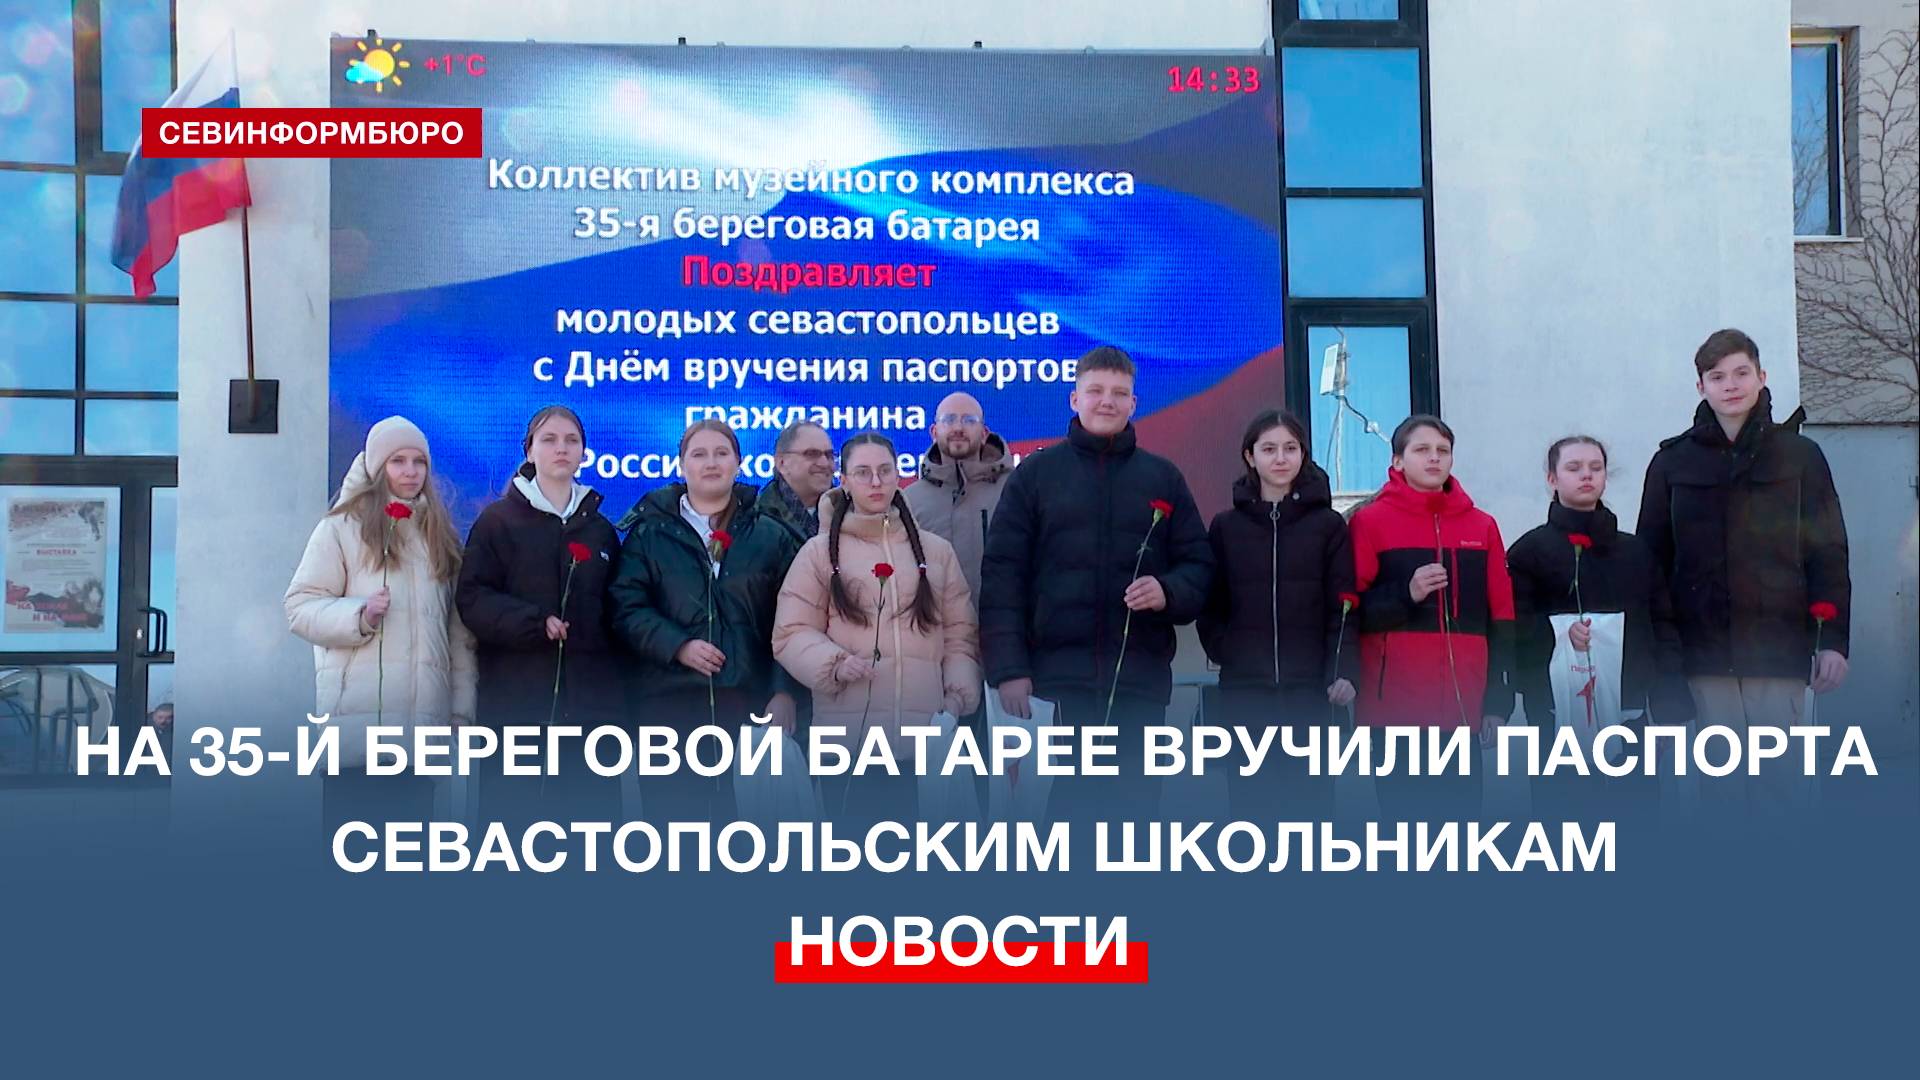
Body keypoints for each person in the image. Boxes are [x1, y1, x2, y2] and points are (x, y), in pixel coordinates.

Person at [979, 345, 1214, 819]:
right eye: (1096, 391)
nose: (1107, 401)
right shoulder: (1035, 476)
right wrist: (1009, 670)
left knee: (1134, 824)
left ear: (1134, 403)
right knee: (1061, 825)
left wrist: (1167, 592)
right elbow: (1003, 577)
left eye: (1119, 393)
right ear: (1074, 399)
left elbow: (1199, 568)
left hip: (1140, 688)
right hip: (1054, 688)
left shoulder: (1163, 478)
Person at [1638, 328, 1850, 807]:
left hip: (1778, 651)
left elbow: (1828, 552)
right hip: (1703, 656)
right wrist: (1660, 656)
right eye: (1717, 377)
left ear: (1761, 377)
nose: (1730, 385)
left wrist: (1832, 640)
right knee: (1721, 797)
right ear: (1701, 387)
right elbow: (1652, 565)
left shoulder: (1800, 457)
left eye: (1741, 373)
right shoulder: (1672, 463)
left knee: (1782, 795)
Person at [773, 433, 981, 824]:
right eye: (863, 473)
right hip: (848, 748)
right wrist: (833, 664)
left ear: (898, 475)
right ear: (844, 481)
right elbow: (791, 632)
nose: (876, 482)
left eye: (885, 471)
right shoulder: (819, 553)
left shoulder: (936, 552)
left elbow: (960, 635)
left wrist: (955, 699)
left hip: (926, 746)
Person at [286, 416, 476, 834]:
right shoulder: (340, 528)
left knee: (409, 861)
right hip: (357, 740)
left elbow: (458, 637)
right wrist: (360, 615)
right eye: (398, 461)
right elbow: (299, 607)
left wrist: (460, 713)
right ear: (376, 468)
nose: (410, 472)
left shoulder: (438, 536)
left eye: (419, 462)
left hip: (418, 744)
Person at [610, 418, 807, 821]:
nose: (711, 463)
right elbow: (625, 607)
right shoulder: (649, 533)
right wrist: (677, 645)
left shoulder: (771, 535)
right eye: (699, 454)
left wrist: (784, 691)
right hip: (668, 712)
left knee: (751, 840)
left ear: (739, 462)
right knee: (677, 837)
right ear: (681, 465)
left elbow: (796, 622)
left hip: (749, 710)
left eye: (721, 453)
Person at [456, 405, 622, 828]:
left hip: (589, 718)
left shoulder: (601, 530)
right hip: (516, 712)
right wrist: (532, 622)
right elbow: (472, 598)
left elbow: (618, 616)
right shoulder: (496, 522)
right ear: (529, 451)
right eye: (549, 440)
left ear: (584, 452)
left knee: (591, 841)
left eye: (571, 440)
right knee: (514, 837)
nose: (561, 448)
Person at [1508, 435, 1693, 816]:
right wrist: (1559, 635)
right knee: (1564, 827)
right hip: (1557, 717)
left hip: (1629, 712)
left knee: (1635, 823)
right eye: (1574, 468)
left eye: (1596, 467)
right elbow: (1514, 627)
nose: (1586, 476)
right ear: (1552, 478)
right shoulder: (1529, 552)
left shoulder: (1636, 552)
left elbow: (1662, 627)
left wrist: (1668, 707)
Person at [1349, 415, 1513, 818]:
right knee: (1403, 833)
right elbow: (1350, 613)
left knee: (1461, 832)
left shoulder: (1482, 526)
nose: (1434, 458)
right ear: (1398, 460)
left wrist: (1497, 702)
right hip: (1394, 713)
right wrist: (1406, 594)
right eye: (1422, 450)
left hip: (1462, 709)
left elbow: (1502, 619)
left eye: (1443, 450)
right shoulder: (1369, 522)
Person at [1198, 409, 1357, 820]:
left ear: (1303, 454)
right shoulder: (1225, 527)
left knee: (1312, 817)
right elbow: (1211, 603)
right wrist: (1226, 649)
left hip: (1311, 695)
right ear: (1250, 456)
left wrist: (1341, 670)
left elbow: (1343, 605)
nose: (1280, 458)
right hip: (1245, 695)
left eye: (1290, 448)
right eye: (1269, 449)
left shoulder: (1328, 526)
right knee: (1251, 815)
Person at [902, 391, 1011, 604]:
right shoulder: (910, 500)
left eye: (969, 420)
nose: (958, 428)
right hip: (934, 622)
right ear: (934, 432)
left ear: (984, 434)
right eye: (949, 420)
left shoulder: (1014, 490)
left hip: (1004, 622)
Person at [758, 419, 836, 536]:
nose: (825, 463)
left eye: (829, 455)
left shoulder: (850, 512)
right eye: (812, 454)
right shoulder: (754, 518)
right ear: (782, 463)